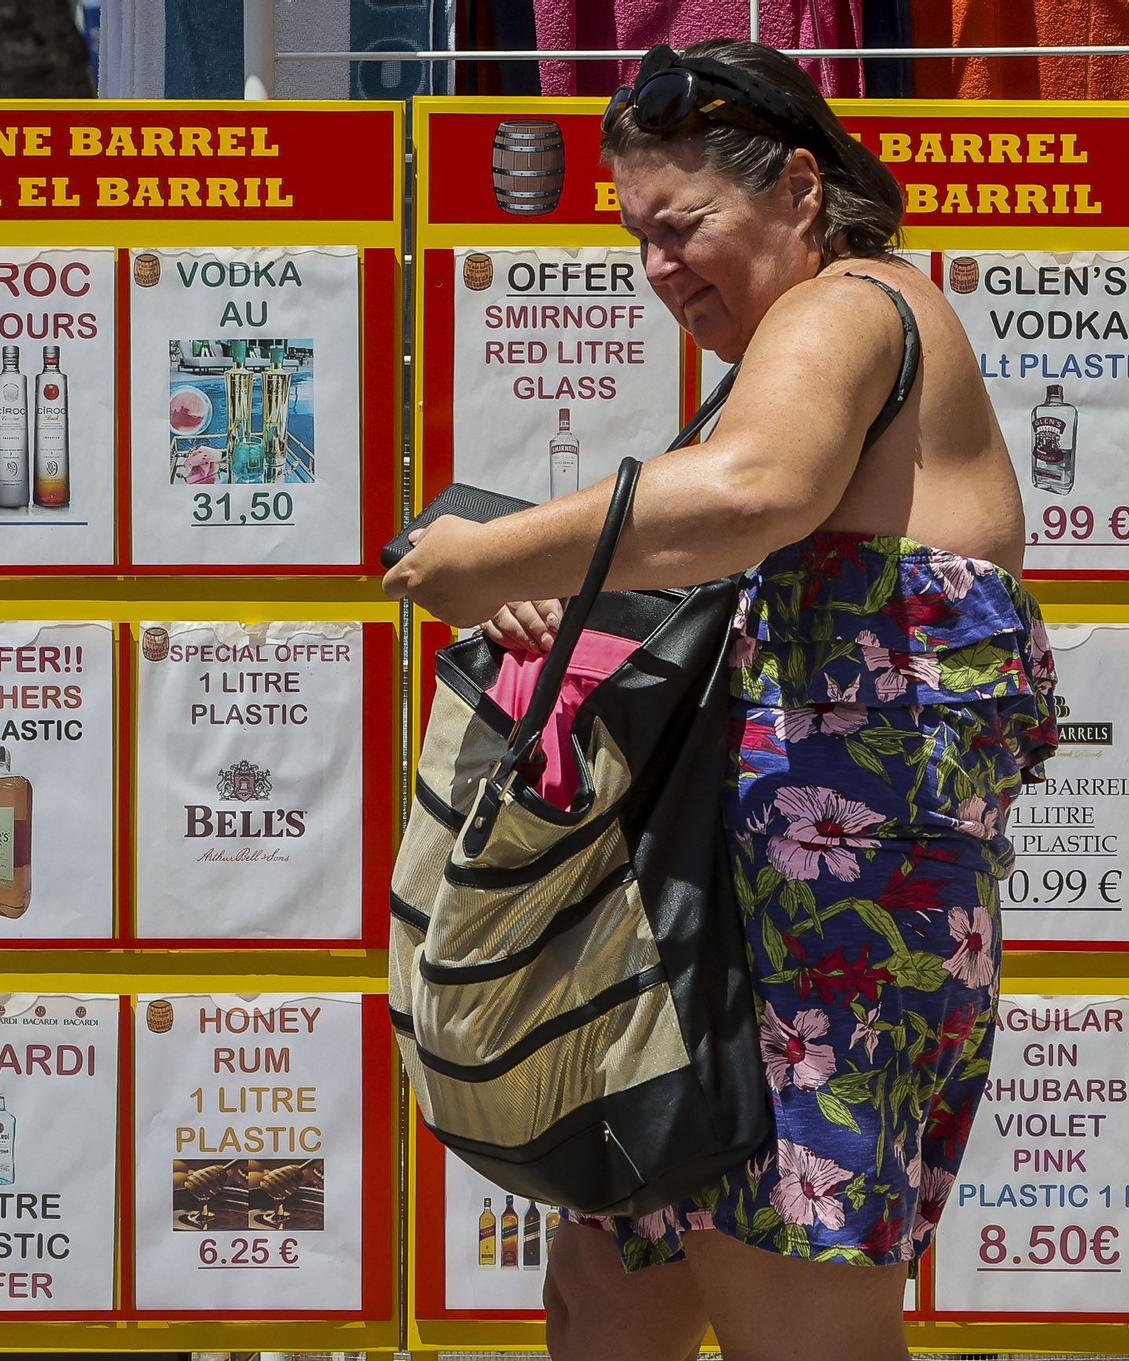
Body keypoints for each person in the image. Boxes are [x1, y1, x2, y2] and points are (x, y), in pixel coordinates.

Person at [383, 38, 1058, 1361]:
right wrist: (552, 595)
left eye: (683, 224)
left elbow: (755, 493)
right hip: (721, 925)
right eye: (637, 236)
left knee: (796, 1322)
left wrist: (489, 558)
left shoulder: (851, 300)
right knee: (611, 1295)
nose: (659, 267)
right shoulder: (791, 349)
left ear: (800, 189)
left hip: (815, 938)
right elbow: (708, 559)